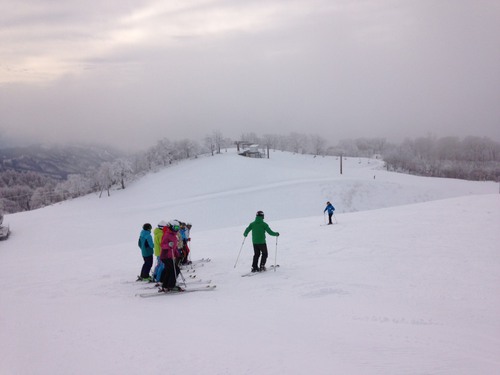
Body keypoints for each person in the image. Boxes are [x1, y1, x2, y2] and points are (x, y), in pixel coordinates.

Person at [159, 220, 183, 292]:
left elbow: (174, 247)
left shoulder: (173, 235)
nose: (177, 229)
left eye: (177, 228)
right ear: (171, 226)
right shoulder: (167, 234)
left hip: (170, 255)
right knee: (175, 270)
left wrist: (177, 254)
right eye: (175, 227)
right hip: (166, 256)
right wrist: (168, 245)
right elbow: (162, 245)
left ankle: (166, 286)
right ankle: (171, 286)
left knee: (169, 270)